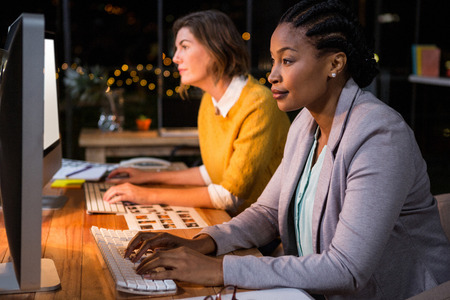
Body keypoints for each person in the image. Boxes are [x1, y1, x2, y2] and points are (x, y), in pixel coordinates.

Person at [121, 1, 450, 299]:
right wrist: (203, 241)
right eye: (275, 60)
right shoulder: (305, 124)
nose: (273, 74)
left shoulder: (379, 135)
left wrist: (218, 269)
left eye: (287, 60)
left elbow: (347, 268)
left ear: (334, 64)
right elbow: (267, 213)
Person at [103, 10, 290, 215]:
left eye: (184, 46)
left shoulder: (259, 104)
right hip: (231, 221)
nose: (175, 58)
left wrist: (145, 195)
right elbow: (212, 173)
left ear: (216, 49)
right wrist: (147, 176)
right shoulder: (209, 101)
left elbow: (229, 196)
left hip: (266, 231)